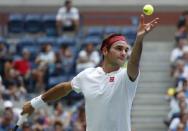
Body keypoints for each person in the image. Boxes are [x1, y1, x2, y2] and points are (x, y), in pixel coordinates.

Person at [21, 14, 159, 131]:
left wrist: (139, 39)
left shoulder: (126, 77)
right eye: (118, 48)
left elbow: (134, 62)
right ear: (105, 51)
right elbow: (64, 88)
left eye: (126, 50)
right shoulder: (87, 75)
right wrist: (34, 103)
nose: (123, 53)